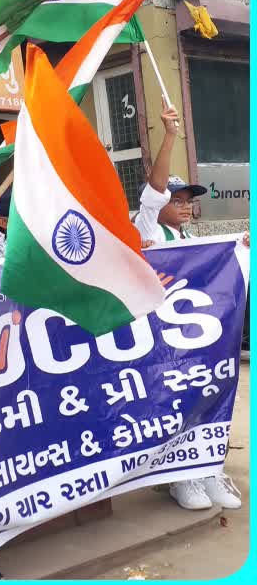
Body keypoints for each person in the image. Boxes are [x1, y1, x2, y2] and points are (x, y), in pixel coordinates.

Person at [133, 104, 244, 511]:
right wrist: (171, 136)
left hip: (199, 335)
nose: (183, 205)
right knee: (171, 403)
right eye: (175, 199)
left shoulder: (192, 236)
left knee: (207, 396)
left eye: (187, 200)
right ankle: (180, 478)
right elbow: (154, 190)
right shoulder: (147, 227)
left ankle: (207, 469)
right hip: (162, 338)